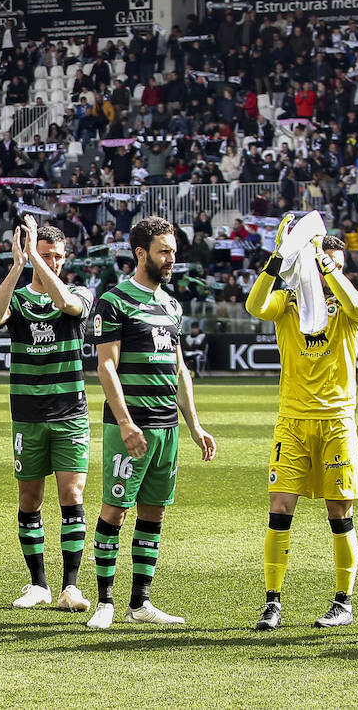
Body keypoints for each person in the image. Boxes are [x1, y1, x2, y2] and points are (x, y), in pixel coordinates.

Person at [87, 216, 216, 629]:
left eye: (173, 251)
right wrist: (125, 423)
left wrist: (194, 426)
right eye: (163, 251)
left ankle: (139, 603)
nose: (171, 259)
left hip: (167, 428)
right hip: (130, 426)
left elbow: (180, 372)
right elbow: (106, 367)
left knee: (153, 513)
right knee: (115, 510)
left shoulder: (172, 305)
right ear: (141, 253)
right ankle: (105, 601)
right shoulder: (114, 301)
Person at [245, 218, 358, 631]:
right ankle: (273, 602)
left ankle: (343, 601)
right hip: (293, 422)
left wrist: (326, 264)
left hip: (336, 422)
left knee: (340, 511)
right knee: (280, 509)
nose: (322, 270)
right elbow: (255, 306)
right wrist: (280, 257)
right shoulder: (288, 300)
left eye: (333, 264)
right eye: (316, 261)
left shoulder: (348, 303)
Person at [0, 215, 93, 611]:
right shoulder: (19, 297)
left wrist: (37, 261)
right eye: (46, 255)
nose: (54, 261)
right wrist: (17, 266)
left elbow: (66, 304)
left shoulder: (80, 291)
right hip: (27, 415)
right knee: (30, 498)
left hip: (69, 413)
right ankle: (38, 585)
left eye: (58, 256)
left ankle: (71, 587)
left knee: (72, 494)